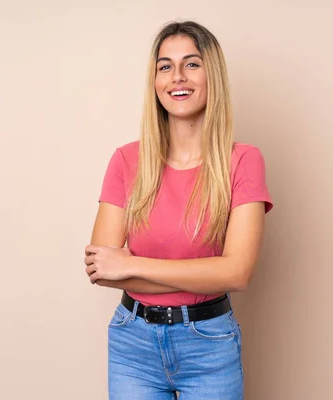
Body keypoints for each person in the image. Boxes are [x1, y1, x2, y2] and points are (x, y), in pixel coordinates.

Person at [84, 20, 273, 400]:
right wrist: (204, 272)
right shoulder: (126, 160)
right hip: (131, 344)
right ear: (154, 82)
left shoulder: (243, 161)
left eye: (191, 63)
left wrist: (133, 264)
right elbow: (102, 268)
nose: (177, 77)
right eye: (165, 66)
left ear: (212, 75)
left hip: (208, 345)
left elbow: (237, 273)